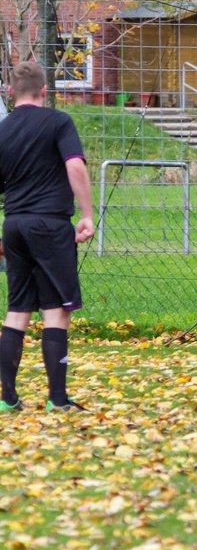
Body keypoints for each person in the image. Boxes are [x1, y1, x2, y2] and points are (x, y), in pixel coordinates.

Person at [0, 62, 94, 412]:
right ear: (43, 91)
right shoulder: (58, 122)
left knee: (17, 310)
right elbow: (74, 165)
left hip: (15, 226)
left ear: (11, 92)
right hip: (50, 226)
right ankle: (58, 399)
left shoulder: (2, 129)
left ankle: (8, 399)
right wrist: (86, 215)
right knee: (56, 312)